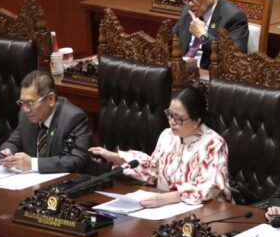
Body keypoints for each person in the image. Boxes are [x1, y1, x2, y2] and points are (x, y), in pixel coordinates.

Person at [89, 87, 230, 207]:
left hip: (206, 212)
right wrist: (115, 157)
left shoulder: (214, 143)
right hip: (165, 209)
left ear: (196, 120)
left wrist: (167, 198)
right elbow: (153, 169)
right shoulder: (167, 136)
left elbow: (210, 187)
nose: (171, 121)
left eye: (178, 118)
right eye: (170, 114)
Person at [0, 70, 97, 173]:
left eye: (30, 103)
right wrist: (6, 153)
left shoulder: (73, 118)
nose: (25, 109)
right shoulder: (25, 116)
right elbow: (13, 142)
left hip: (72, 180)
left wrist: (32, 163)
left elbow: (77, 160)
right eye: (22, 103)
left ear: (50, 99)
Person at [172, 0, 249, 69]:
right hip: (183, 70)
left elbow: (235, 56)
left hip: (210, 73)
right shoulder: (188, 9)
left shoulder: (234, 17)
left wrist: (203, 36)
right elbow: (173, 38)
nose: (190, 4)